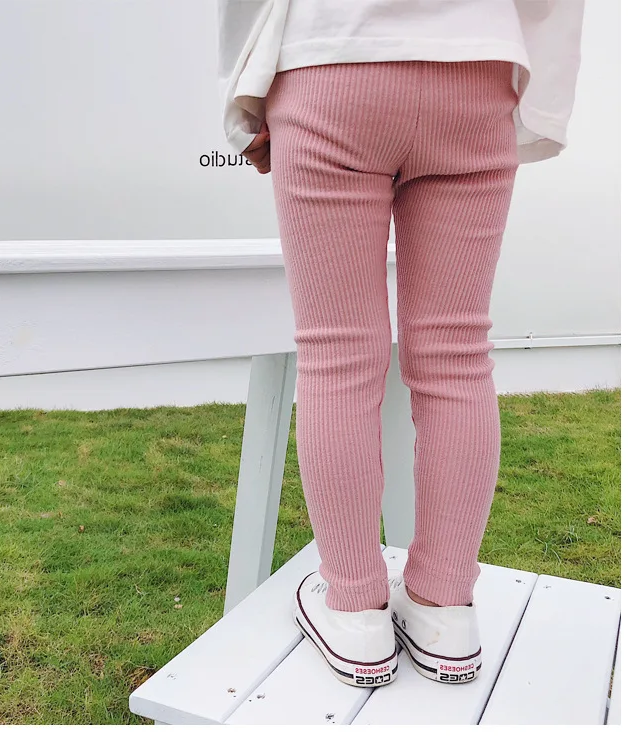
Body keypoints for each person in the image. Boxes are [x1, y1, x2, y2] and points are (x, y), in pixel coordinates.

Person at [217, 0, 584, 687]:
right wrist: (543, 100)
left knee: (336, 357)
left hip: (330, 61)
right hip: (474, 72)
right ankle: (446, 610)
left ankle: (356, 610)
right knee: (457, 356)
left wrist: (247, 94)